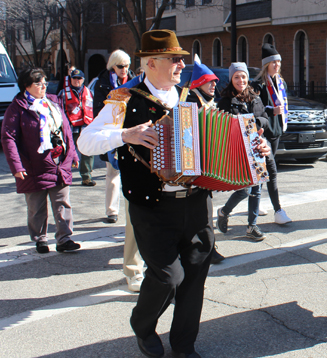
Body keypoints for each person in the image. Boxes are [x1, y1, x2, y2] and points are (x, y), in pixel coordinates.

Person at [78, 30, 269, 358]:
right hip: (151, 206)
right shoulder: (124, 99)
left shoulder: (193, 98)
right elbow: (86, 142)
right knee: (168, 276)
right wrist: (125, 134)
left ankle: (184, 345)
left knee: (195, 277)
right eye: (174, 59)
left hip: (196, 204)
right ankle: (142, 323)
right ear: (151, 63)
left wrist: (257, 148)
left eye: (181, 58)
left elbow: (228, 137)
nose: (181, 64)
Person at [1, 67, 81, 254]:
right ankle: (40, 239)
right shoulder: (18, 107)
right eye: (38, 82)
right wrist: (16, 165)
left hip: (58, 161)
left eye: (44, 82)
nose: (44, 86)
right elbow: (8, 138)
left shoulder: (52, 102)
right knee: (36, 206)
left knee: (62, 202)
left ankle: (64, 239)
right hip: (33, 164)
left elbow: (66, 129)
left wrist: (73, 154)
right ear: (26, 86)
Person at [92, 50, 140, 291]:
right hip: (114, 136)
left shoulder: (134, 82)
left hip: (135, 141)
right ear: (112, 66)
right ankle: (112, 211)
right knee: (112, 174)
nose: (124, 69)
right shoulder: (101, 83)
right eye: (120, 66)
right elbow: (98, 118)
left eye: (127, 66)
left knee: (133, 192)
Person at [216, 62, 270, 242]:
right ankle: (224, 212)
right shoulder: (225, 101)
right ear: (231, 79)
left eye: (244, 76)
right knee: (244, 190)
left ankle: (251, 226)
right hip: (237, 150)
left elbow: (265, 119)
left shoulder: (255, 98)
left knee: (257, 189)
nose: (241, 80)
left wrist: (257, 123)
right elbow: (219, 127)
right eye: (237, 77)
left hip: (256, 147)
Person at [188, 61, 225, 264]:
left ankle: (208, 246)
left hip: (208, 162)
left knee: (204, 208)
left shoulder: (209, 101)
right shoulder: (191, 103)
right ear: (199, 83)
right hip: (194, 164)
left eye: (214, 82)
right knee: (201, 211)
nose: (213, 85)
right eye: (209, 82)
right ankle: (206, 248)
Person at [251, 43, 292, 225]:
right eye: (273, 62)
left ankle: (256, 201)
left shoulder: (280, 82)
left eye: (278, 62)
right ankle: (278, 210)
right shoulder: (259, 84)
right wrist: (272, 109)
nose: (276, 65)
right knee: (270, 170)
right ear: (266, 64)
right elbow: (257, 110)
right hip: (264, 131)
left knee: (266, 169)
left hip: (277, 130)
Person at [58, 69, 96, 186]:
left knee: (88, 151)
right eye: (74, 78)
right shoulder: (63, 93)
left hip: (86, 127)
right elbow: (58, 110)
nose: (77, 81)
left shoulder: (89, 92)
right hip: (70, 128)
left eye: (79, 78)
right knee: (67, 152)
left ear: (83, 80)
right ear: (71, 80)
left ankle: (86, 177)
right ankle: (63, 177)